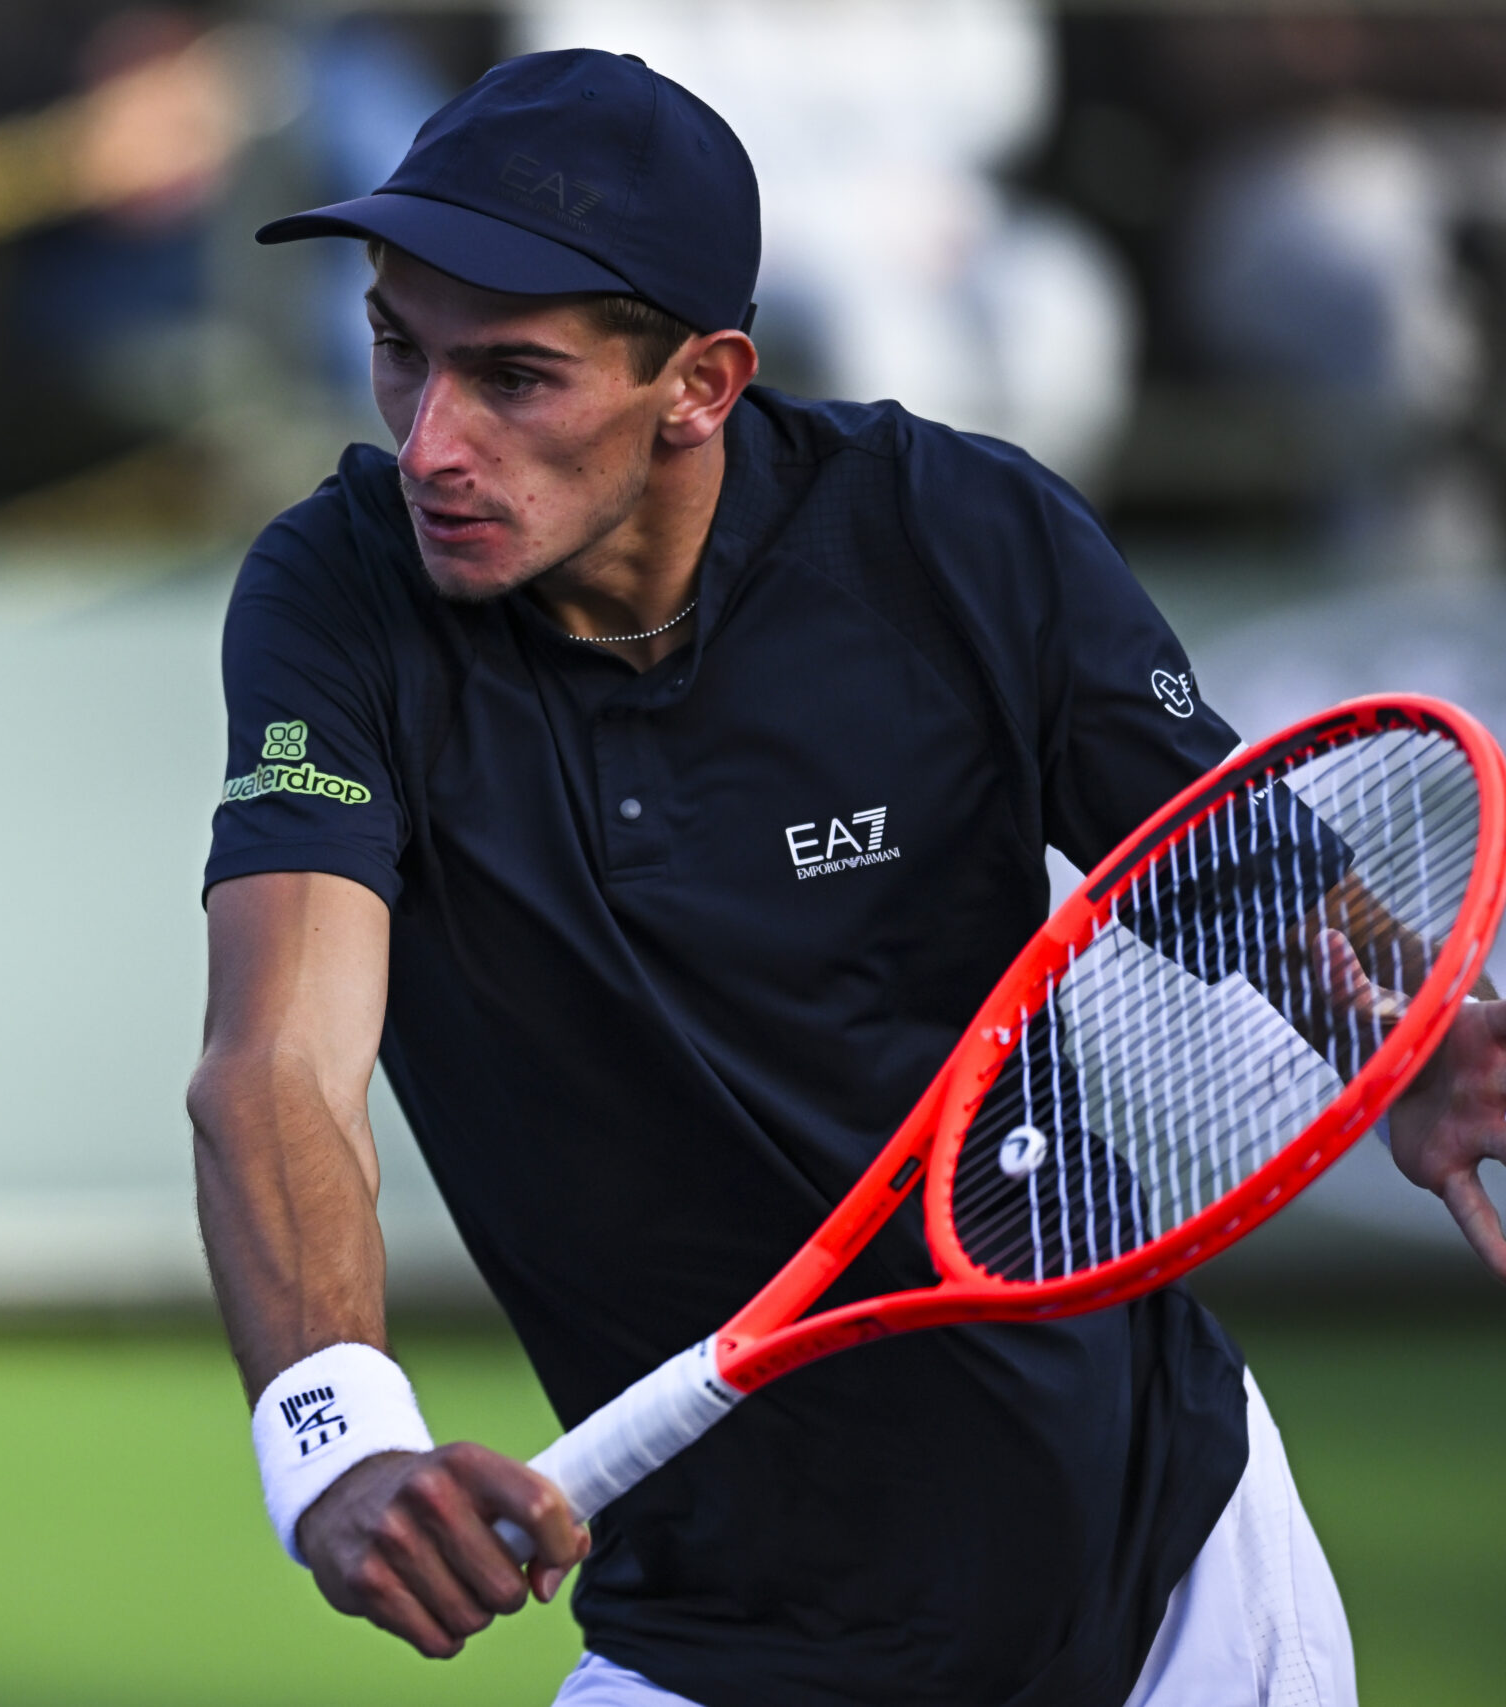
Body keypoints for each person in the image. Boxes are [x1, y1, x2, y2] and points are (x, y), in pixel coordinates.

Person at [187, 48, 1506, 1707]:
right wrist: (337, 1441)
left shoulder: (963, 533)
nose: (432, 441)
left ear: (702, 382)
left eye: (515, 377)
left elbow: (1233, 859)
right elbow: (278, 1064)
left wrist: (1403, 1027)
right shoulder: (336, 594)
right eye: (400, 349)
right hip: (720, 1633)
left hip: (1176, 1570)